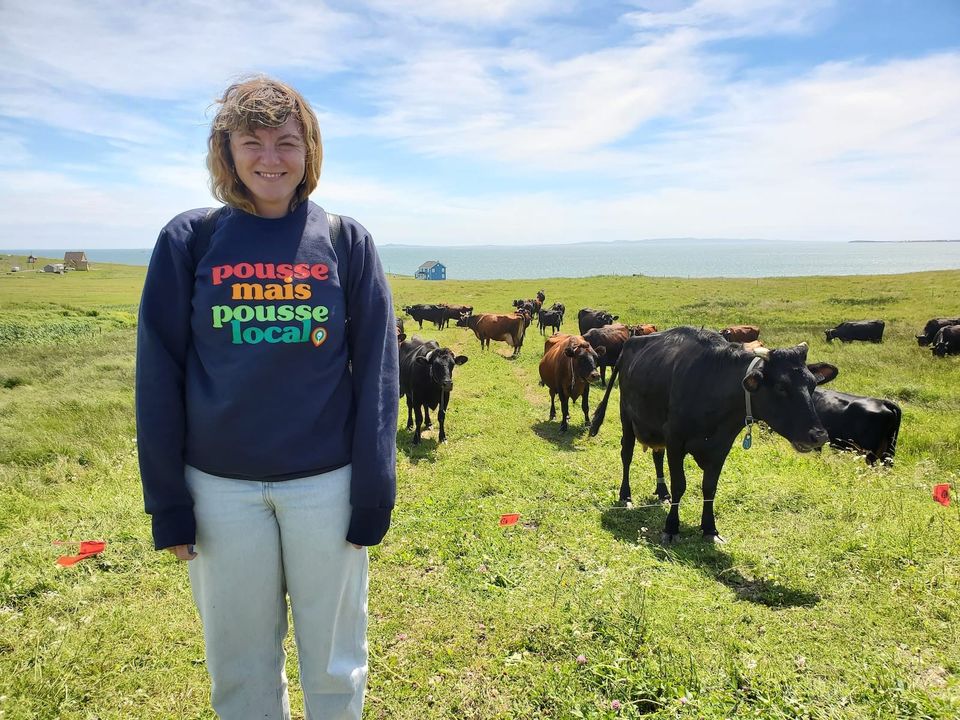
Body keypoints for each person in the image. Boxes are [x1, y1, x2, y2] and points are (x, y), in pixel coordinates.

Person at [135, 75, 398, 719]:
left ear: (309, 150)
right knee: (239, 667)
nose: (270, 159)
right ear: (225, 150)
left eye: (287, 143)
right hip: (219, 489)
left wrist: (373, 490)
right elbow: (158, 374)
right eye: (251, 142)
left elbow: (379, 375)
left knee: (336, 661)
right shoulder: (189, 239)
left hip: (326, 486)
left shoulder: (344, 240)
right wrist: (167, 501)